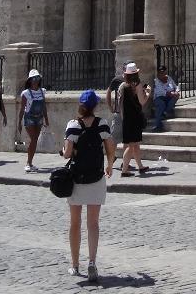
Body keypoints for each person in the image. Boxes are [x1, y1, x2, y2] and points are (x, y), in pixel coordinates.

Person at [62, 90, 115, 283]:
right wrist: (109, 165)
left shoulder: (73, 125)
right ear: (95, 106)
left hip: (77, 180)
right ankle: (92, 261)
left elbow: (67, 153)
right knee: (93, 223)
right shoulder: (102, 124)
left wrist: (66, 148)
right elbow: (110, 146)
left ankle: (75, 265)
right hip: (96, 178)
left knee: (75, 223)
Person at [113, 65, 148, 177]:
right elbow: (142, 101)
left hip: (126, 119)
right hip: (135, 118)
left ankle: (140, 166)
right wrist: (147, 93)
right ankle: (124, 170)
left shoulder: (122, 86)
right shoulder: (137, 85)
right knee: (131, 145)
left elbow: (120, 104)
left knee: (135, 144)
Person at [19, 69, 50, 172]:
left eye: (37, 78)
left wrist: (46, 118)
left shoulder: (42, 91)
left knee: (35, 140)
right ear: (30, 80)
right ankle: (28, 163)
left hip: (39, 117)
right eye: (34, 78)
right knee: (33, 139)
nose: (36, 80)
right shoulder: (25, 93)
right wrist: (19, 122)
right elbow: (22, 108)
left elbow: (44, 106)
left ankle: (30, 162)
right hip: (29, 118)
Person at [149, 65, 178, 132]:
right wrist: (172, 93)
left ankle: (165, 112)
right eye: (160, 72)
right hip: (159, 98)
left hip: (169, 97)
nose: (162, 74)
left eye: (163, 72)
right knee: (161, 105)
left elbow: (175, 86)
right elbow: (162, 92)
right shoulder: (157, 81)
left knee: (176, 97)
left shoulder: (169, 78)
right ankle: (158, 125)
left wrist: (176, 91)